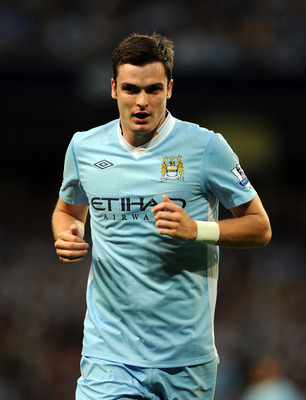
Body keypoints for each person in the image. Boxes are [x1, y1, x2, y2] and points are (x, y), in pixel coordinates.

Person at [51, 32, 272, 400]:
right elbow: (68, 209)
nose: (141, 101)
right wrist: (69, 232)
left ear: (169, 89)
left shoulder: (206, 147)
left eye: (153, 89)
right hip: (109, 355)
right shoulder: (83, 147)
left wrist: (197, 229)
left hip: (186, 358)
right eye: (130, 89)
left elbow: (260, 227)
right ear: (113, 89)